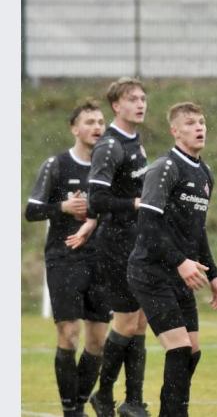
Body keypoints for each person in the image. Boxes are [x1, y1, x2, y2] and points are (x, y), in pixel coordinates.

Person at [127, 102, 217, 417]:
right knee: (180, 348)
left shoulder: (204, 172)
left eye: (202, 122)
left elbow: (198, 232)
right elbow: (148, 224)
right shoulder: (165, 167)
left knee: (192, 352)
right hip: (150, 272)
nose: (199, 128)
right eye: (190, 123)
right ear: (175, 131)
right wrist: (180, 261)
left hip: (180, 274)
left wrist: (214, 274)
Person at [25, 100, 108, 417]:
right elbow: (31, 211)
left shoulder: (110, 168)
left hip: (101, 260)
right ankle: (71, 410)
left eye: (101, 122)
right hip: (65, 258)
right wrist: (62, 208)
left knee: (97, 341)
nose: (97, 127)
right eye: (89, 122)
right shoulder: (56, 165)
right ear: (74, 128)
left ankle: (78, 402)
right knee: (69, 334)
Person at [87, 77, 150, 417]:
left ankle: (134, 401)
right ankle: (105, 395)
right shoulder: (110, 146)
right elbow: (97, 200)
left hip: (136, 242)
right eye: (132, 99)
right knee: (126, 322)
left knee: (139, 322)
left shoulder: (135, 142)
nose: (140, 104)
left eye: (143, 98)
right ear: (116, 106)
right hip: (115, 244)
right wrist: (135, 204)